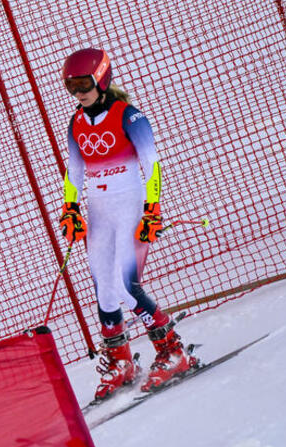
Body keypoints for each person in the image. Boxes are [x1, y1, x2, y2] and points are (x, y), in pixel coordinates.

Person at [57, 47, 198, 401]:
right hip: (99, 210)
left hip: (130, 205)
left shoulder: (129, 117)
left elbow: (152, 164)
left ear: (101, 79)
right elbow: (74, 169)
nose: (78, 92)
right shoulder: (76, 122)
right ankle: (120, 361)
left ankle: (172, 351)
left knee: (124, 286)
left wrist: (153, 209)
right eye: (70, 86)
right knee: (104, 288)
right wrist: (70, 207)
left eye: (83, 83)